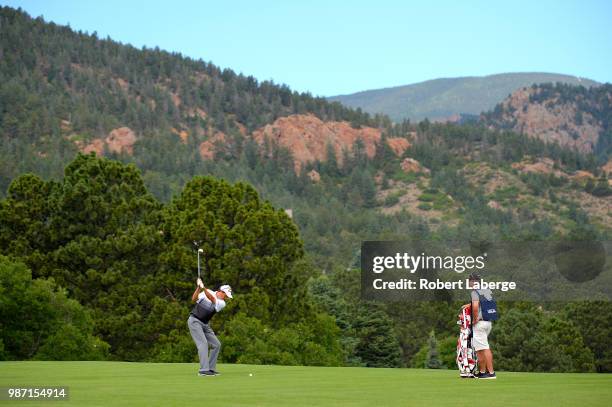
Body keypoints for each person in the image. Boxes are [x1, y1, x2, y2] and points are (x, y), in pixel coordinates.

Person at [188, 277, 233, 377]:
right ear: (221, 292)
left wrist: (203, 287)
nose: (226, 298)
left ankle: (211, 369)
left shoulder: (222, 303)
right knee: (203, 344)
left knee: (216, 344)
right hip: (194, 321)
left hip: (205, 324)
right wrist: (198, 289)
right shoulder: (206, 291)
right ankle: (203, 370)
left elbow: (212, 299)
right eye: (226, 295)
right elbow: (194, 299)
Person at [464, 272, 497, 379]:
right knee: (479, 348)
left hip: (479, 323)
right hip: (488, 322)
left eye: (469, 281)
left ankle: (491, 373)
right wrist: (469, 304)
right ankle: (482, 372)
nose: (468, 283)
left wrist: (475, 319)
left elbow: (475, 306)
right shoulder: (485, 289)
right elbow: (484, 303)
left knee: (484, 347)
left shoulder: (474, 292)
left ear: (473, 281)